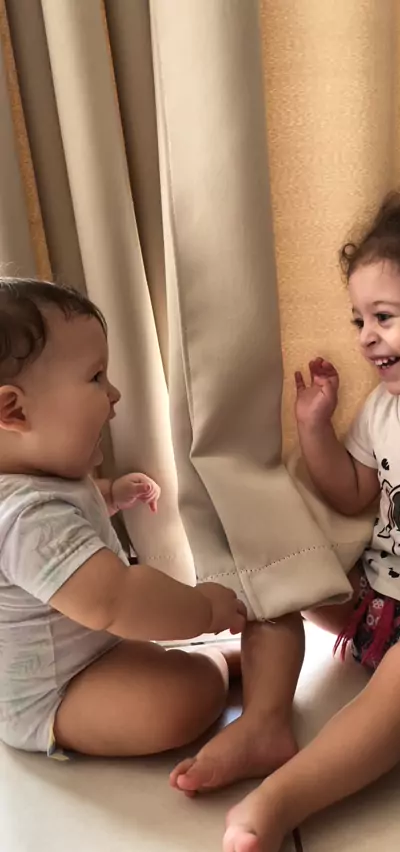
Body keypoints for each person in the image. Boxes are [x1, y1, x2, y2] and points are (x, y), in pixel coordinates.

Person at [174, 162, 400, 852]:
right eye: (359, 319)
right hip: (375, 602)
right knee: (282, 572)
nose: (364, 337)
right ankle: (261, 710)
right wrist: (314, 430)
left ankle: (282, 799)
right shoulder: (385, 409)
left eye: (384, 318)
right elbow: (354, 492)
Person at [0, 278, 246, 758]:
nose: (113, 394)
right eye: (96, 377)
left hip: (94, 652)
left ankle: (201, 662)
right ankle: (213, 665)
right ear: (14, 410)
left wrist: (110, 495)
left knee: (156, 664)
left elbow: (73, 522)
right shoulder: (23, 516)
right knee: (178, 701)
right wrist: (204, 609)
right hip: (54, 695)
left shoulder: (44, 484)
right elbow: (115, 597)